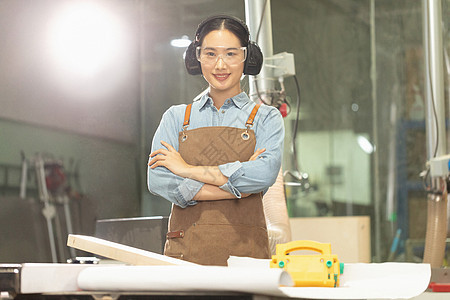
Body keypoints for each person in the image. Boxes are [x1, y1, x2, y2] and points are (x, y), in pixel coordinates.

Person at [147, 15, 284, 266]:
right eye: (210, 54)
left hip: (247, 259)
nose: (220, 65)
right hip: (184, 258)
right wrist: (239, 189)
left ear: (247, 57)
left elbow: (263, 175)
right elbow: (158, 180)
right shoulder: (176, 118)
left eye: (231, 54)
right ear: (196, 57)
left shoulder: (266, 117)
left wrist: (187, 170)